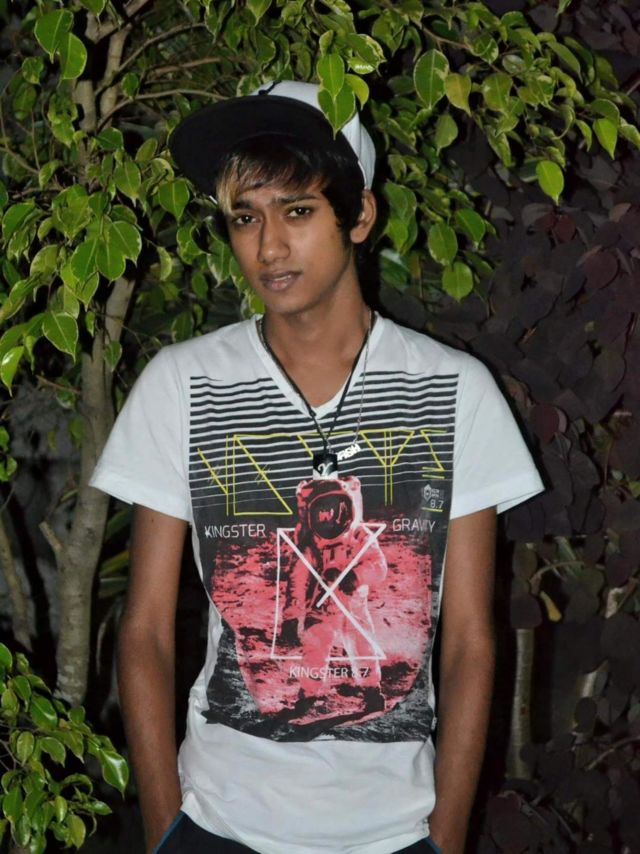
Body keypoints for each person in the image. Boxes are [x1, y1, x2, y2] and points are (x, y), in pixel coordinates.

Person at [90, 80, 543, 854]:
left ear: (358, 216)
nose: (268, 247)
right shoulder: (183, 384)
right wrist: (166, 826)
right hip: (219, 823)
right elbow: (146, 631)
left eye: (297, 212)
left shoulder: (453, 389)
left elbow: (471, 639)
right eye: (245, 217)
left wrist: (445, 838)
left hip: (395, 832)